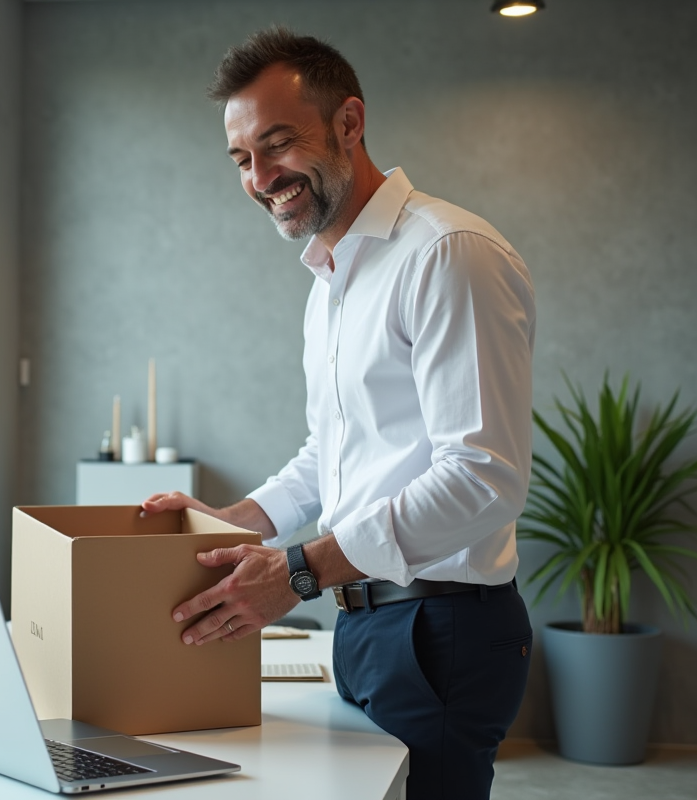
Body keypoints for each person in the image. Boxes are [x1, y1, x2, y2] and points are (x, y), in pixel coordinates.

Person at [140, 28, 537, 800]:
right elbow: (334, 452)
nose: (259, 178)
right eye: (241, 159)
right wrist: (233, 523)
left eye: (278, 144)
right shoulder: (332, 279)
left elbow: (484, 479)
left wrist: (295, 571)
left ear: (349, 124)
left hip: (441, 632)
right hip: (361, 625)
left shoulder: (447, 253)